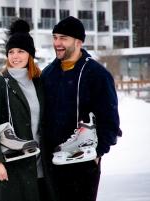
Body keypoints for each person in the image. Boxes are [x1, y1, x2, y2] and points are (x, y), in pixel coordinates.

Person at [41, 16, 122, 201]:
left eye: (63, 38)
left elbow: (110, 120)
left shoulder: (97, 74)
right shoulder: (48, 74)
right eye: (55, 37)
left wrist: (98, 152)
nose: (57, 43)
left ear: (78, 42)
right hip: (52, 163)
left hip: (83, 163)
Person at [0, 19, 53, 201]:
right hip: (11, 165)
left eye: (21, 51)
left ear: (30, 54)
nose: (15, 56)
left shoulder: (39, 82)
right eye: (11, 51)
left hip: (41, 167)